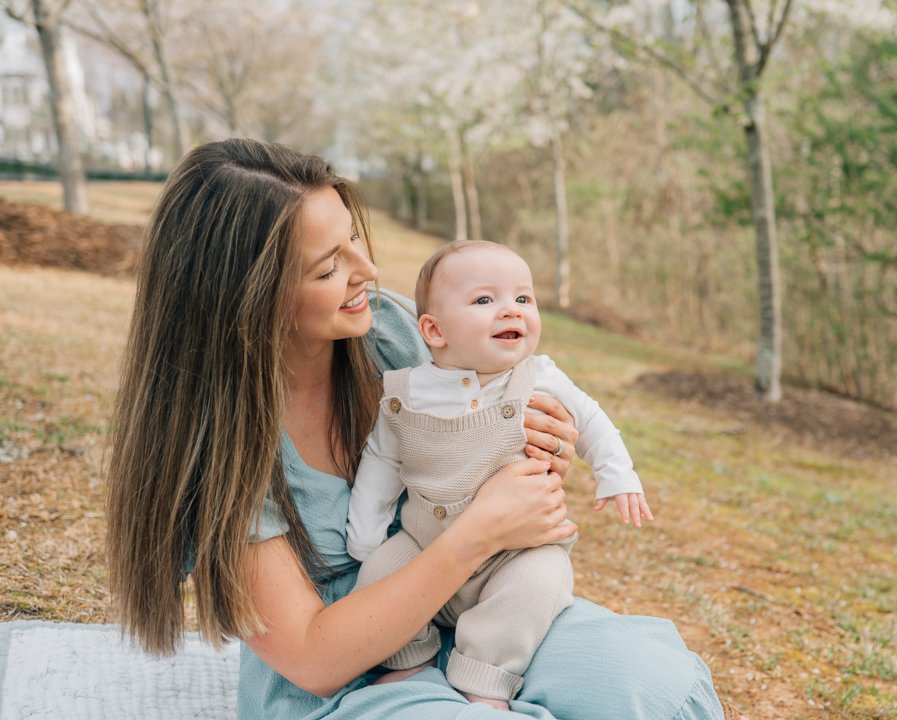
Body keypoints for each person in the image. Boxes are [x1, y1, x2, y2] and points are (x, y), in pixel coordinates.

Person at [106, 138, 731, 720]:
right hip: (343, 666)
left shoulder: (394, 331)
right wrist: (480, 531)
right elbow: (312, 657)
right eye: (328, 269)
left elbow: (507, 406)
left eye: (354, 239)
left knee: (654, 684)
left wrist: (547, 443)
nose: (368, 271)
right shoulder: (218, 443)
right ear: (246, 296)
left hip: (474, 609)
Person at [347, 240, 654, 709]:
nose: (511, 311)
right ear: (434, 329)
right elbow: (382, 461)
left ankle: (484, 680)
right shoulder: (406, 392)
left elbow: (591, 421)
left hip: (515, 552)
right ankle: (410, 662)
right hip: (424, 544)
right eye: (485, 300)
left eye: (523, 299)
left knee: (540, 581)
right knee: (379, 572)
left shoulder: (540, 378)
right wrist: (366, 536)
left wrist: (618, 475)